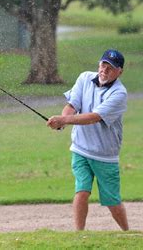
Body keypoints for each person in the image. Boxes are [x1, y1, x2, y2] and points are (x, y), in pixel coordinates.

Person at [47, 49, 129, 231]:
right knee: (82, 191)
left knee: (112, 201)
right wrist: (63, 121)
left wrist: (64, 120)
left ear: (120, 72)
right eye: (103, 65)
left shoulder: (119, 94)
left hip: (105, 155)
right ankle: (79, 235)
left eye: (110, 68)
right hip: (80, 149)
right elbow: (72, 105)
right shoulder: (85, 78)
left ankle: (126, 232)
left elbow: (94, 117)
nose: (105, 70)